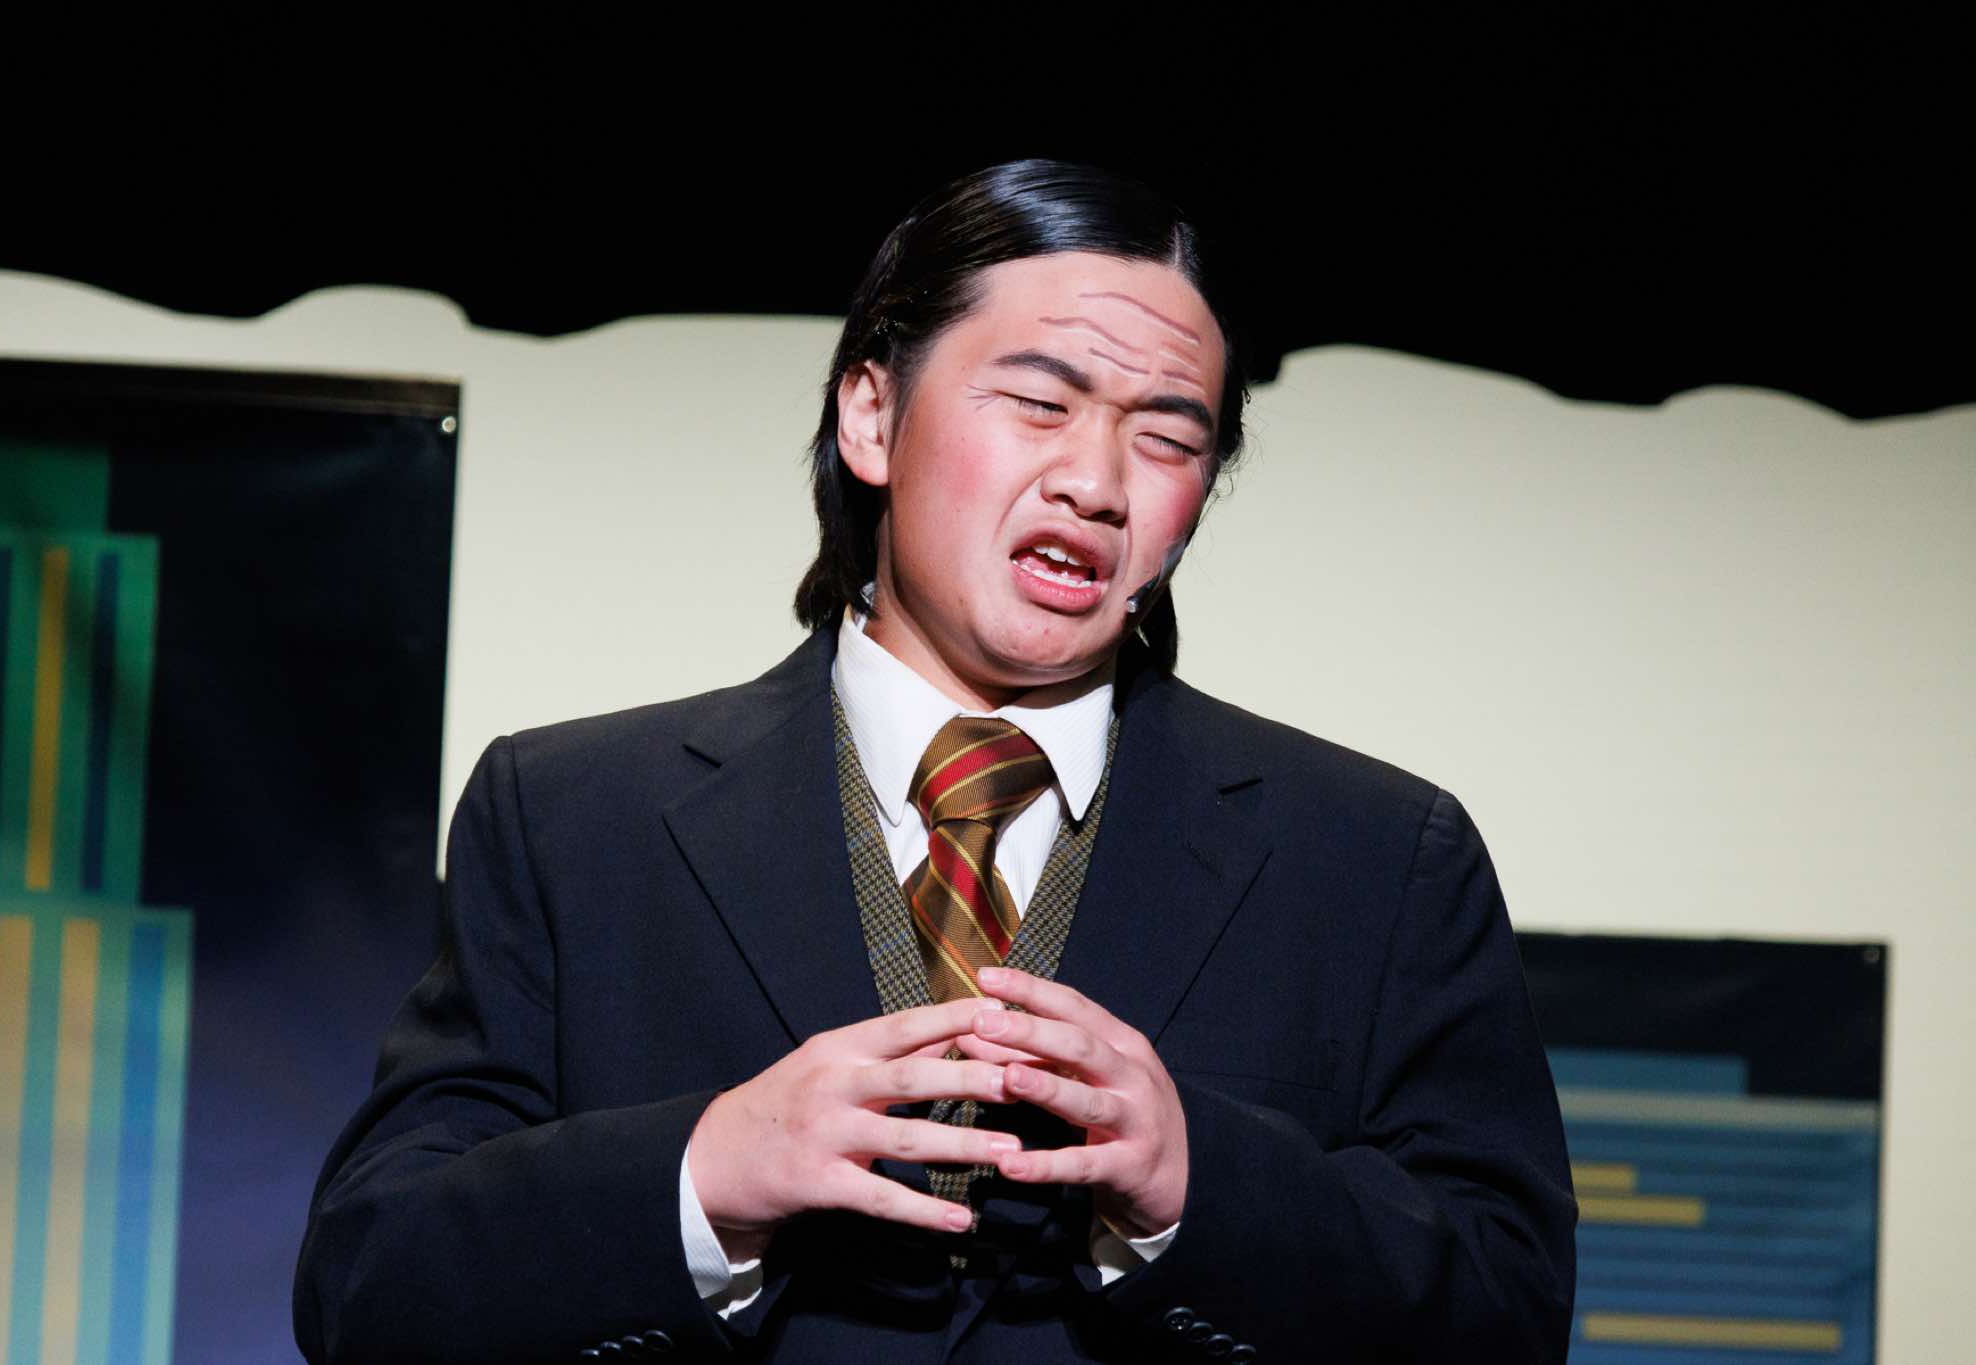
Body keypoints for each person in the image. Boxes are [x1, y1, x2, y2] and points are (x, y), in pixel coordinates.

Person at [293, 159, 1577, 1363]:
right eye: (1039, 402)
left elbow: (1507, 1312)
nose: (1095, 481)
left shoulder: (1374, 859)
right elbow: (368, 1284)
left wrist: (1201, 1184)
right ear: (870, 413)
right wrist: (705, 1170)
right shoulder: (573, 820)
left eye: (1166, 437)